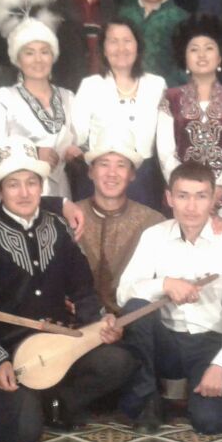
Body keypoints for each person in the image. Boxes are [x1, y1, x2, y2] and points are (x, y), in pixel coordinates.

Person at [0, 137, 133, 440]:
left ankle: (59, 400)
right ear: (0, 191)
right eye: (13, 185)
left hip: (61, 344)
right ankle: (31, 402)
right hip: (11, 353)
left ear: (42, 186)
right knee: (24, 433)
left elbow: (83, 291)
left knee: (119, 360)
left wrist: (98, 326)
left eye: (32, 183)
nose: (24, 193)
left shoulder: (59, 227)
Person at [116, 162, 222, 435]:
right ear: (169, 198)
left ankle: (201, 393)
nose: (191, 207)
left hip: (208, 342)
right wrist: (165, 284)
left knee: (210, 423)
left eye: (200, 196)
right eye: (183, 196)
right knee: (136, 307)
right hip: (164, 341)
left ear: (213, 199)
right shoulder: (154, 236)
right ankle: (148, 398)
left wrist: (220, 366)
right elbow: (124, 293)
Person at [0, 0, 75, 198]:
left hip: (59, 193)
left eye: (44, 52)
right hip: (17, 192)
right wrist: (34, 152)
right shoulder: (5, 97)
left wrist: (76, 151)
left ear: (53, 56)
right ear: (18, 59)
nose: (38, 60)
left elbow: (80, 142)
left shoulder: (68, 98)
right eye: (29, 53)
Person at [67, 17, 166, 207]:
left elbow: (165, 136)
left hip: (144, 178)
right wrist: (73, 147)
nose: (121, 48)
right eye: (113, 41)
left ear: (138, 46)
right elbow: (76, 134)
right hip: (101, 178)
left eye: (127, 40)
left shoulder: (157, 85)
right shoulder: (90, 85)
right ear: (104, 49)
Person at [157, 14, 222, 214]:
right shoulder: (171, 98)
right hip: (181, 198)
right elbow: (165, 152)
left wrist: (218, 190)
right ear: (185, 57)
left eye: (209, 48)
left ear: (220, 56)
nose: (201, 55)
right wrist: (186, 191)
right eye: (194, 49)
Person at [75, 134, 166, 316]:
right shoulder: (69, 217)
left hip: (134, 323)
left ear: (132, 174)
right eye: (104, 164)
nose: (112, 173)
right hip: (76, 323)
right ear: (91, 172)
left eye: (121, 165)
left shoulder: (153, 222)